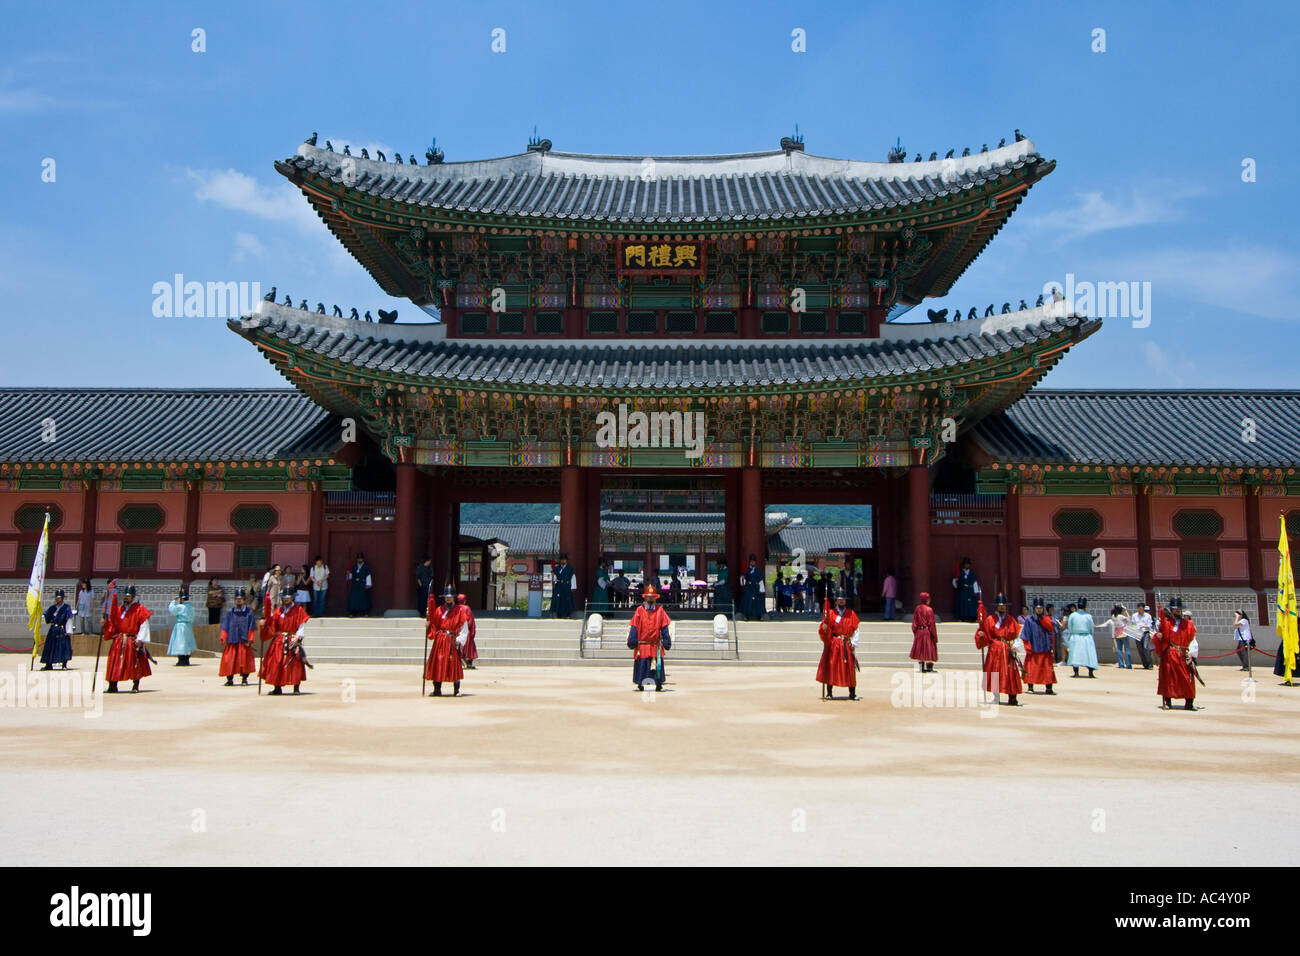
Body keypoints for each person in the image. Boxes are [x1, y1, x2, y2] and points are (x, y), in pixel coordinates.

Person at [102, 584, 153, 694]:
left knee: (134, 662)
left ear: (133, 597)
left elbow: (144, 624)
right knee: (114, 662)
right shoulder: (119, 609)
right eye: (125, 596)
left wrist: (140, 639)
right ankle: (112, 685)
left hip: (132, 639)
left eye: (128, 596)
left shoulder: (139, 609)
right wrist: (105, 624)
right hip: (119, 639)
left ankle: (135, 685)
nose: (126, 598)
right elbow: (113, 624)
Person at [261, 587, 311, 695]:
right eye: (284, 598)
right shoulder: (279, 610)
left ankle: (296, 687)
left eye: (288, 598)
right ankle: (277, 687)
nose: (286, 600)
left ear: (293, 598)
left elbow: (301, 625)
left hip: (292, 638)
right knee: (276, 662)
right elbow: (273, 626)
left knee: (295, 663)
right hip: (279, 640)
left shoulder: (299, 610)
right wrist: (265, 625)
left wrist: (298, 637)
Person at [974, 594, 1023, 705]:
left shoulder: (1010, 619)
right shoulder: (990, 620)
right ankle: (996, 697)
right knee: (995, 672)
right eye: (1000, 606)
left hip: (1008, 648)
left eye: (1004, 606)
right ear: (996, 607)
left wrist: (1016, 645)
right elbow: (985, 634)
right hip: (995, 650)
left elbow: (1018, 634)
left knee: (1010, 673)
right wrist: (980, 635)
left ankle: (1012, 697)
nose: (1002, 608)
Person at [627, 583, 672, 691]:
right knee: (642, 664)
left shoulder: (660, 610)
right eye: (648, 597)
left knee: (657, 665)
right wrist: (632, 640)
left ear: (655, 598)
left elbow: (664, 626)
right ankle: (640, 683)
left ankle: (658, 683)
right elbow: (635, 626)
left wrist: (667, 640)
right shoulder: (639, 610)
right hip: (642, 644)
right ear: (645, 597)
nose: (650, 598)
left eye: (652, 597)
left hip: (655, 644)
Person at [425, 587, 469, 697]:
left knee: (453, 663)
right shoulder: (439, 610)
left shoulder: (459, 611)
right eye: (446, 597)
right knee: (438, 662)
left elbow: (464, 627)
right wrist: (429, 625)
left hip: (451, 640)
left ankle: (456, 689)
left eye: (450, 597)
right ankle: (437, 688)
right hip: (440, 640)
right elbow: (434, 624)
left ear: (453, 598)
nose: (448, 599)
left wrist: (459, 640)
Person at [817, 588, 860, 700]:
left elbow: (856, 629)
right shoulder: (830, 613)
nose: (841, 601)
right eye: (839, 599)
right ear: (836, 600)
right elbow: (825, 630)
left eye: (843, 600)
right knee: (831, 666)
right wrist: (824, 628)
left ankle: (852, 693)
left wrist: (854, 643)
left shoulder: (851, 613)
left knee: (849, 668)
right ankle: (829, 693)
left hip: (846, 643)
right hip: (834, 644)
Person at [1156, 597, 1197, 710]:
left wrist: (1191, 652)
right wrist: (1159, 636)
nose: (1177, 611)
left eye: (1179, 609)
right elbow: (1161, 635)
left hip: (1183, 653)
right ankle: (1168, 701)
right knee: (1169, 678)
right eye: (1175, 609)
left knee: (1187, 677)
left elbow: (1191, 637)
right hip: (1170, 653)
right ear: (1171, 610)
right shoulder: (1167, 623)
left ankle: (1189, 702)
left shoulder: (1187, 623)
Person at [218, 588, 257, 686]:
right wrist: (223, 636)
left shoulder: (249, 612)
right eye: (237, 598)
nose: (238, 600)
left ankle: (244, 679)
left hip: (244, 641)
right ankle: (229, 679)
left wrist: (250, 639)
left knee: (244, 660)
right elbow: (225, 626)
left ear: (244, 600)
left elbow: (251, 627)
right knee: (229, 660)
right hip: (232, 639)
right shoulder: (230, 612)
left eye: (241, 598)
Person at [1022, 597, 1057, 694]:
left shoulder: (1047, 619)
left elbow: (1053, 629)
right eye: (1037, 608)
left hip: (1045, 647)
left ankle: (1049, 688)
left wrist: (1044, 620)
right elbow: (1025, 634)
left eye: (1041, 608)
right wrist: (1027, 646)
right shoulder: (1029, 620)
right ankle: (1030, 687)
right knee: (1031, 668)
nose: (1039, 610)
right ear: (1034, 608)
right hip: (1034, 648)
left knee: (1047, 669)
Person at [1065, 597, 1099, 678]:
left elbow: (1070, 627)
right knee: (1089, 654)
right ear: (1085, 606)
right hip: (1087, 636)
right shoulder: (1088, 616)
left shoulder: (1072, 615)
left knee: (1075, 654)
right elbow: (1091, 628)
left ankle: (1076, 672)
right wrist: (1091, 635)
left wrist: (1072, 634)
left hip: (1075, 636)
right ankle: (1090, 672)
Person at [40, 589, 73, 670]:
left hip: (62, 629)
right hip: (53, 629)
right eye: (56, 598)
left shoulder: (66, 608)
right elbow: (46, 616)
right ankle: (49, 664)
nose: (57, 599)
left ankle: (64, 664)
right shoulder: (52, 608)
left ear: (62, 598)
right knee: (50, 646)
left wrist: (68, 630)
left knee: (63, 646)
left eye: (59, 598)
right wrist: (41, 615)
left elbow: (69, 619)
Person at [1095, 604, 1132, 669]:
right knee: (1127, 649)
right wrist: (1126, 611)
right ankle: (1128, 665)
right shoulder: (1121, 616)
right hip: (1124, 633)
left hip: (1117, 634)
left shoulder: (1113, 616)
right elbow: (1128, 618)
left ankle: (1121, 664)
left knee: (1119, 650)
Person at [167, 586, 197, 666]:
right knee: (187, 642)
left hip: (181, 625)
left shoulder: (180, 607)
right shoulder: (191, 607)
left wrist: (173, 601)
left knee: (180, 642)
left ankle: (181, 659)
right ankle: (187, 659)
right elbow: (193, 617)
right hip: (188, 625)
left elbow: (172, 609)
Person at [909, 590, 937, 673]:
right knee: (929, 649)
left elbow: (914, 622)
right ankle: (929, 667)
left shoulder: (917, 609)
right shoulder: (929, 610)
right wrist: (934, 635)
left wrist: (915, 632)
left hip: (919, 631)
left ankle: (921, 667)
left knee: (920, 649)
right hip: (927, 631)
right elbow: (932, 624)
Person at [953, 558, 980, 622]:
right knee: (963, 604)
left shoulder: (972, 573)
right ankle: (962, 616)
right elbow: (956, 583)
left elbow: (975, 582)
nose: (967, 566)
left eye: (968, 564)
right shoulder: (960, 573)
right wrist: (956, 581)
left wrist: (976, 591)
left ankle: (972, 616)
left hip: (970, 591)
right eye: (966, 564)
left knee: (971, 604)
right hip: (963, 591)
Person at [456, 593, 479, 669]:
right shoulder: (467, 608)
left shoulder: (455, 608)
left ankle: (459, 662)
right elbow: (470, 621)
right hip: (465, 630)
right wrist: (472, 631)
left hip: (457, 630)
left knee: (458, 646)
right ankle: (468, 663)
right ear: (464, 601)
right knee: (468, 647)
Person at [347, 553, 372, 617]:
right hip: (356, 584)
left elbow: (368, 575)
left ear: (363, 559)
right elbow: (350, 577)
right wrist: (348, 574)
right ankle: (353, 612)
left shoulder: (366, 567)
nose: (359, 560)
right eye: (358, 558)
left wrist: (368, 584)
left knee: (364, 598)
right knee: (354, 598)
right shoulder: (354, 567)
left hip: (363, 584)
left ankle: (365, 612)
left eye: (360, 558)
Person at [1131, 603, 1156, 670]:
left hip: (1145, 633)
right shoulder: (1134, 615)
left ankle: (1150, 663)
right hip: (1137, 633)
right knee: (1140, 649)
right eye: (1139, 609)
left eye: (1141, 609)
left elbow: (1150, 625)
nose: (1140, 610)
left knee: (1146, 648)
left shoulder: (1147, 616)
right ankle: (1145, 664)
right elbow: (1133, 624)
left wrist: (1143, 626)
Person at [740, 556, 765, 621]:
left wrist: (762, 589)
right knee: (747, 602)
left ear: (755, 562)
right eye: (751, 561)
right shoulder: (746, 571)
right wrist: (742, 578)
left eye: (753, 561)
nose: (752, 562)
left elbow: (760, 580)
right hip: (749, 588)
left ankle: (759, 615)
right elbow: (743, 582)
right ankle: (746, 615)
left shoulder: (758, 571)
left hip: (756, 588)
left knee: (758, 602)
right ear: (749, 562)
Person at [551, 554, 575, 618]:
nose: (563, 561)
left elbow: (573, 577)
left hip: (567, 585)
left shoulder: (570, 568)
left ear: (566, 561)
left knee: (567, 599)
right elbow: (555, 578)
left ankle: (568, 614)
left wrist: (573, 587)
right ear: (560, 561)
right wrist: (553, 576)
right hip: (559, 586)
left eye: (564, 560)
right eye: (562, 560)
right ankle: (558, 613)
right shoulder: (557, 568)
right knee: (559, 599)